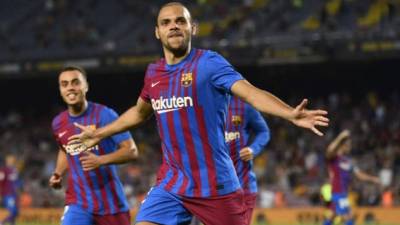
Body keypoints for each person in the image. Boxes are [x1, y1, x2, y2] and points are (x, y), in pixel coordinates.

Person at [69, 2, 329, 225]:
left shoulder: (209, 63)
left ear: (192, 28)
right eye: (166, 22)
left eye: (180, 21)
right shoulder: (154, 74)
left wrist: (289, 114)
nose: (173, 26)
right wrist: (100, 133)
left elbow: (250, 93)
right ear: (157, 32)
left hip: (216, 185)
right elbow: (139, 113)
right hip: (172, 183)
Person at [48, 66, 138, 225]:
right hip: (78, 202)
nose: (70, 87)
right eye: (64, 84)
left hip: (111, 205)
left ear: (86, 86)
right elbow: (65, 150)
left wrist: (100, 160)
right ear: (60, 89)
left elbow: (131, 151)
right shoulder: (58, 123)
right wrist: (58, 173)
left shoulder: (105, 115)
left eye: (75, 82)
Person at [225, 96, 270, 224]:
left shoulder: (244, 106)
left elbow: (264, 131)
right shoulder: (204, 106)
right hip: (214, 187)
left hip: (243, 185)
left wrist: (253, 149)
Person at [325, 130, 381, 225]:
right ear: (342, 145)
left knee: (332, 216)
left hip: (343, 192)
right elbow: (329, 150)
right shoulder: (334, 158)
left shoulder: (348, 161)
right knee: (349, 217)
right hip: (338, 192)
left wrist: (373, 179)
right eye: (348, 144)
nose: (350, 147)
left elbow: (359, 175)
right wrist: (340, 137)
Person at [0, 154, 20, 225]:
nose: (11, 162)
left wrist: (18, 192)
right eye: (10, 160)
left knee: (17, 212)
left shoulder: (15, 170)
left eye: (12, 160)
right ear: (7, 161)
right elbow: (1, 182)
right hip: (7, 194)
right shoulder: (4, 170)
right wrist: (1, 194)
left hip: (14, 194)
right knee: (13, 211)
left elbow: (17, 183)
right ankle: (2, 222)